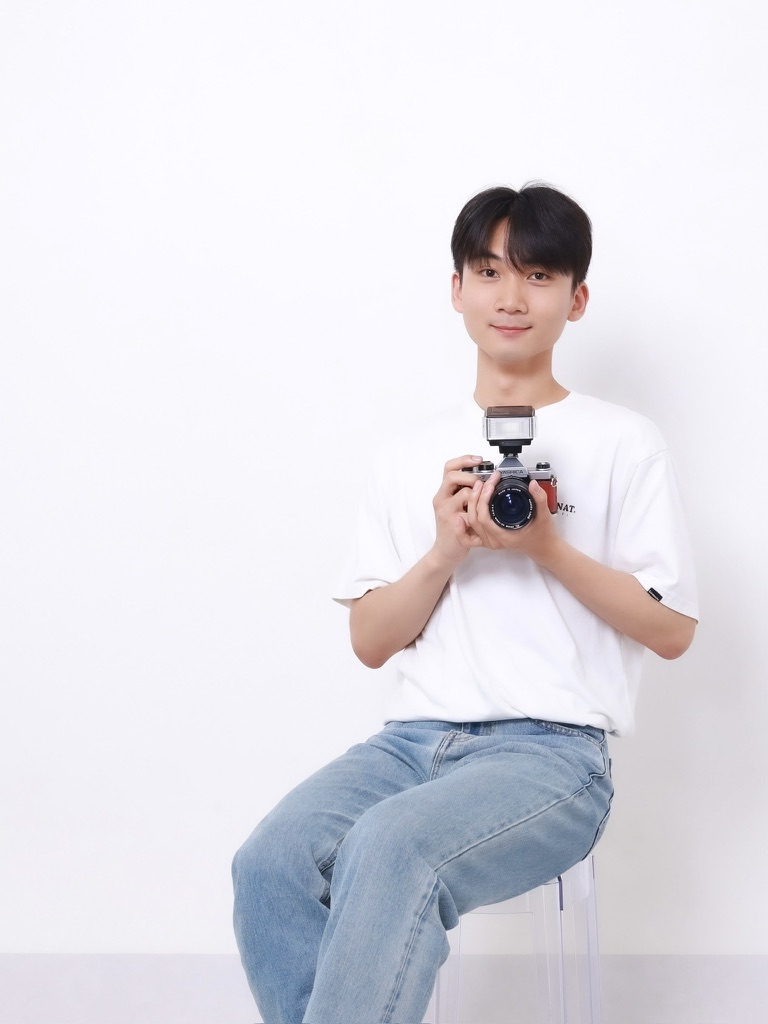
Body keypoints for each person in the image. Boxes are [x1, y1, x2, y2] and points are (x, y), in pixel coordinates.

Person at [232, 182, 698, 1024]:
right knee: (270, 862)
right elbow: (371, 642)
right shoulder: (406, 453)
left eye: (538, 275)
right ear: (457, 289)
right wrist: (446, 550)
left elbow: (672, 631)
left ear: (577, 298)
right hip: (408, 745)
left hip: (552, 758)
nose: (511, 297)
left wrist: (548, 547)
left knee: (390, 848)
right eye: (488, 272)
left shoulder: (625, 443)